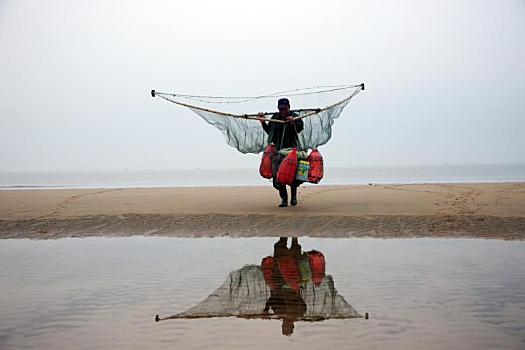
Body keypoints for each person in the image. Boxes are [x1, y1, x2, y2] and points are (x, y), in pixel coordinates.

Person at [260, 98, 304, 207]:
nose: (283, 111)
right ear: (278, 109)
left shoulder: (295, 116)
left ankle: (293, 197)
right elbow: (269, 132)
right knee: (278, 178)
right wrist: (263, 122)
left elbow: (299, 129)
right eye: (281, 109)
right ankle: (284, 199)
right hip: (278, 151)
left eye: (285, 109)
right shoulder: (275, 117)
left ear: (289, 107)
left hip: (292, 151)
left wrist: (292, 122)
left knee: (293, 176)